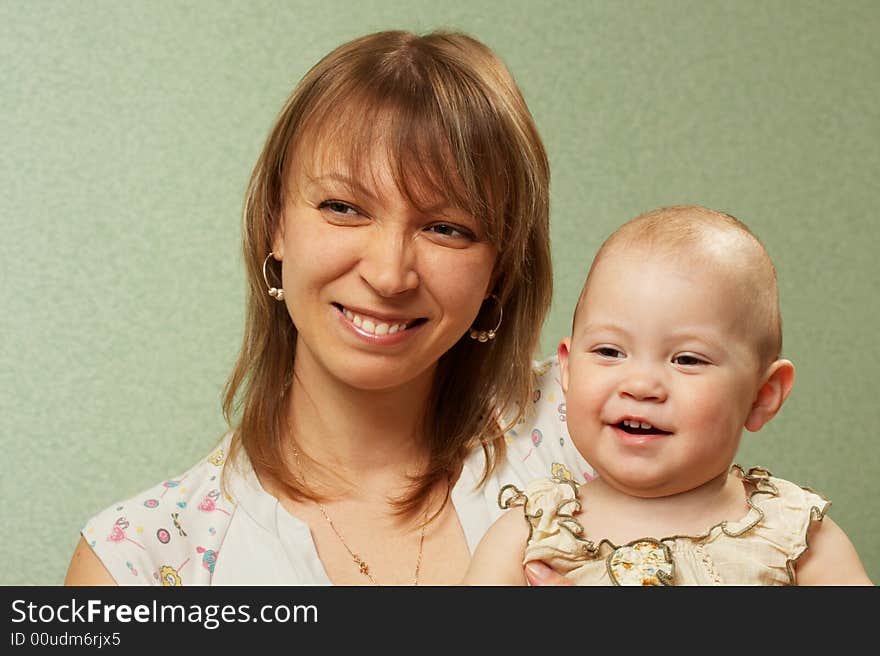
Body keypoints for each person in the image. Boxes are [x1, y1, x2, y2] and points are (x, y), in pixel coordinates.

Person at [63, 29, 590, 586]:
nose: (389, 275)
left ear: (499, 269)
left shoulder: (598, 428)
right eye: (343, 207)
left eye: (446, 228)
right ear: (275, 223)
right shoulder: (141, 562)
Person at [464, 205, 873, 585]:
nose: (640, 385)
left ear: (762, 395)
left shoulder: (794, 535)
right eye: (609, 351)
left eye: (688, 360)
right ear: (567, 370)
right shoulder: (533, 533)